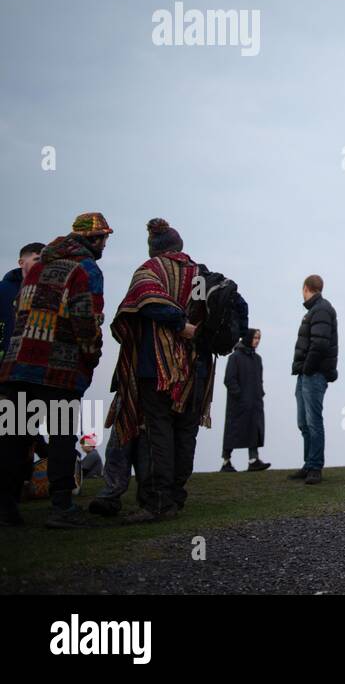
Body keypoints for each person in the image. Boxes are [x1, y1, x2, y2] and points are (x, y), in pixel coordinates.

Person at [1, 213, 111, 528]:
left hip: (17, 367)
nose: (105, 245)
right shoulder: (85, 269)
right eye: (104, 239)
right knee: (62, 436)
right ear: (94, 240)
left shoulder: (36, 269)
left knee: (14, 438)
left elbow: (20, 312)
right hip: (59, 371)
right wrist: (91, 355)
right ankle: (61, 507)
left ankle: (6, 508)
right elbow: (86, 318)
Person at [105, 219, 208, 524]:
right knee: (186, 431)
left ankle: (159, 501)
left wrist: (177, 324)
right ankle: (176, 494)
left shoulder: (149, 270)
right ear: (179, 246)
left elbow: (145, 300)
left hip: (157, 368)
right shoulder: (201, 273)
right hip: (196, 367)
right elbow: (227, 305)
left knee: (158, 432)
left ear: (156, 248)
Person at [288, 274, 338, 485]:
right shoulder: (316, 310)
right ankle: (309, 463)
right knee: (304, 422)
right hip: (306, 373)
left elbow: (319, 344)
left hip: (313, 374)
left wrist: (307, 368)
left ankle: (315, 466)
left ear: (306, 288)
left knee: (313, 421)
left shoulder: (321, 310)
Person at [221, 329, 269, 472]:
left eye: (259, 338)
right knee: (233, 431)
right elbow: (229, 380)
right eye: (255, 338)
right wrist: (239, 396)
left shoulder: (257, 359)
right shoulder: (235, 357)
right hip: (238, 403)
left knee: (254, 429)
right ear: (248, 338)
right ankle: (226, 461)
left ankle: (253, 460)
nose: (257, 341)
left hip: (255, 402)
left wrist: (260, 394)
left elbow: (259, 380)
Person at [0, 243, 44, 364]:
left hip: (30, 366)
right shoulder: (3, 290)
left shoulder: (48, 294)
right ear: (21, 262)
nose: (41, 264)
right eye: (37, 259)